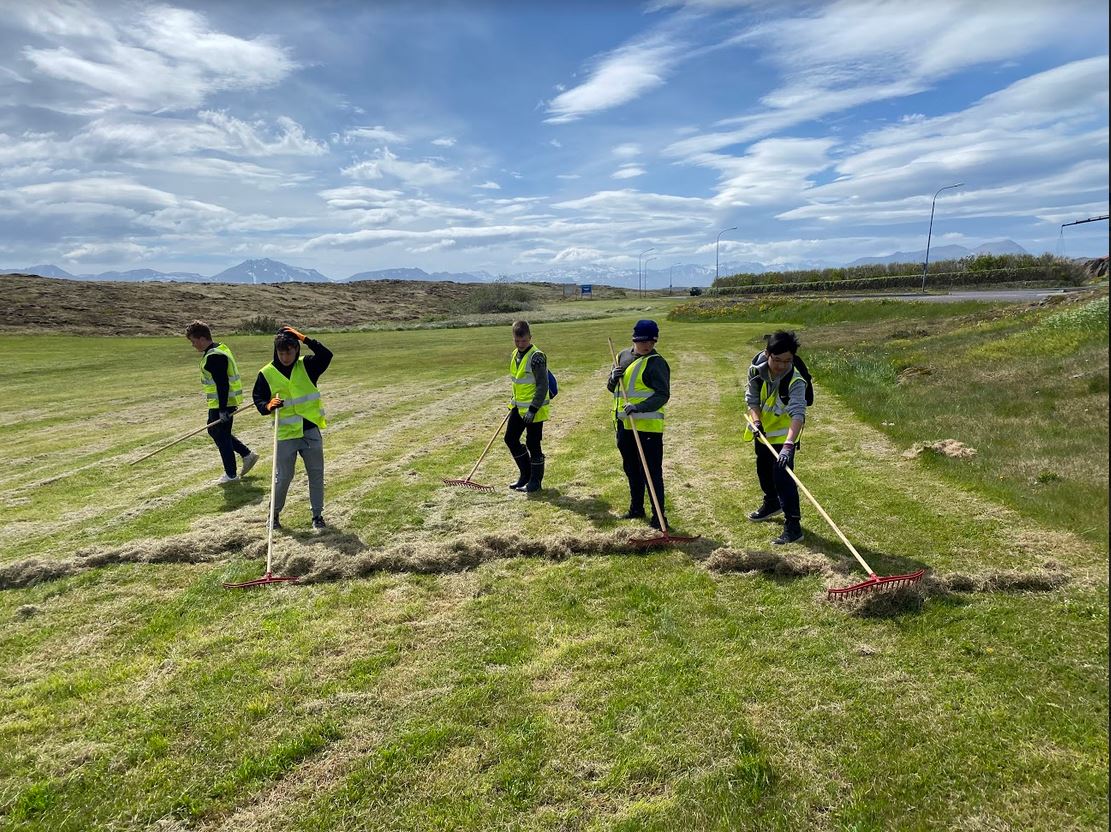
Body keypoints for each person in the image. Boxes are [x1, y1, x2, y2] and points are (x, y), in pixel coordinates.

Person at [252, 325, 332, 530]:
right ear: (276, 352)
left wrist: (303, 338)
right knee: (283, 477)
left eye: (289, 352)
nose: (285, 357)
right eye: (281, 353)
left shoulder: (308, 365)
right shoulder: (266, 373)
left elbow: (326, 354)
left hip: (310, 431)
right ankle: (274, 514)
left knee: (316, 474)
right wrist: (267, 406)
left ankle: (317, 516)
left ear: (296, 350)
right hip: (286, 435)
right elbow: (258, 398)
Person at [744, 330, 807, 544]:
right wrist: (757, 421)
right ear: (767, 354)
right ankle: (772, 503)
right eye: (777, 360)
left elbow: (798, 414)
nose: (781, 365)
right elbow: (752, 398)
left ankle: (793, 526)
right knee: (763, 471)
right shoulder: (756, 370)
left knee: (783, 478)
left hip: (785, 435)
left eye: (787, 360)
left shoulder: (796, 380)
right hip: (764, 432)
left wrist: (788, 446)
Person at [607, 319, 670, 529]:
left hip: (648, 428)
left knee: (651, 473)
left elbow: (662, 395)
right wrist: (613, 378)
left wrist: (639, 407)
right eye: (643, 341)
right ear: (635, 339)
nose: (647, 346)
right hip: (624, 426)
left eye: (652, 342)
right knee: (631, 469)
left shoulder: (656, 363)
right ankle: (636, 508)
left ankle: (659, 518)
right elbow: (611, 388)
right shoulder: (621, 356)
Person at [185, 320, 258, 484]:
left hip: (222, 404)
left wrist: (223, 409)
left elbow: (222, 384)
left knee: (222, 436)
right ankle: (247, 454)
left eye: (193, 341)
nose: (193, 345)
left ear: (202, 338)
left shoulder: (214, 357)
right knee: (215, 432)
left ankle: (231, 474)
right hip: (220, 403)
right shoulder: (218, 349)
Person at [504, 320, 550, 492]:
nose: (520, 344)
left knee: (533, 444)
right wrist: (513, 403)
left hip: (535, 409)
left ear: (530, 337)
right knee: (510, 439)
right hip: (518, 407)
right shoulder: (515, 354)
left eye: (523, 341)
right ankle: (525, 475)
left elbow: (542, 385)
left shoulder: (536, 357)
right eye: (517, 341)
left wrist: (532, 409)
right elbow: (518, 382)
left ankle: (535, 482)